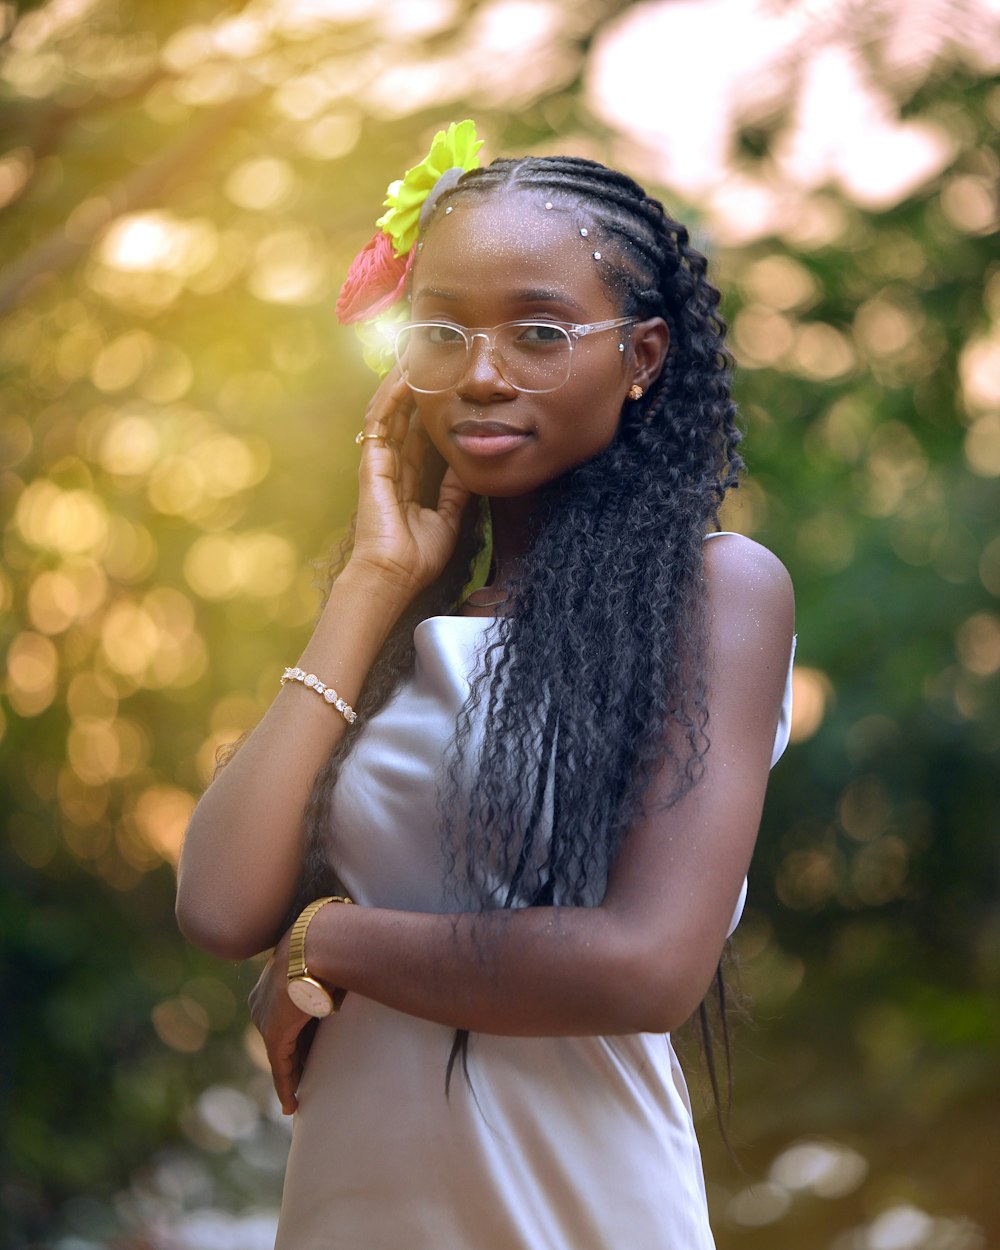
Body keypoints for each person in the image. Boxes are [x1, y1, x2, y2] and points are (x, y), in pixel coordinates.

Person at [176, 121, 796, 1250]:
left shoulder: (714, 593)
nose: (482, 373)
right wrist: (369, 583)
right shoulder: (409, 623)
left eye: (541, 331)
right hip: (353, 1212)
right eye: (441, 330)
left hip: (571, 1212)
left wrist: (332, 938)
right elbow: (219, 906)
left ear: (644, 355)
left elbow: (644, 964)